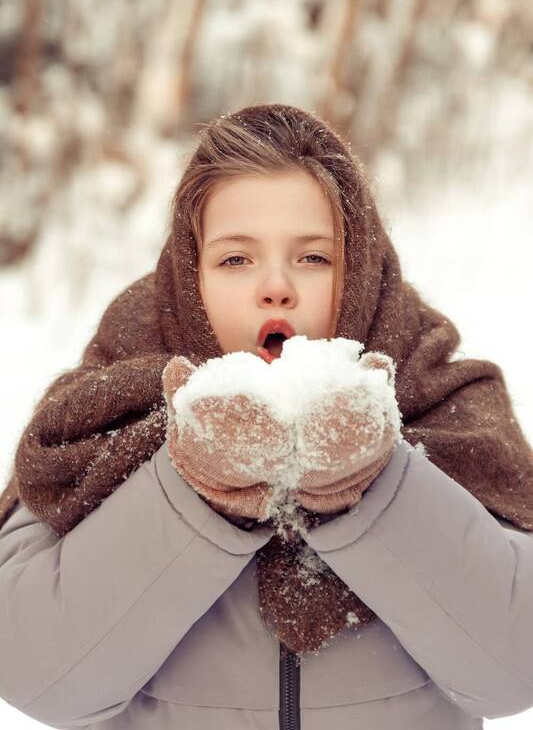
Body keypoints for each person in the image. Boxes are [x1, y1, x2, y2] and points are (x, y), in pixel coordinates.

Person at [1, 102, 533, 729]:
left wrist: (377, 488)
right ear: (189, 277)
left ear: (359, 270)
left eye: (313, 257)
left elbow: (513, 673)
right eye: (236, 259)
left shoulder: (437, 391)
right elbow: (37, 675)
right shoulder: (106, 403)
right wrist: (191, 490)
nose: (275, 287)